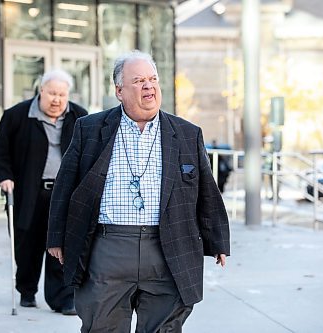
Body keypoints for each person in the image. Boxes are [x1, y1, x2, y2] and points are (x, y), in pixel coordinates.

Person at [46, 50, 230, 332]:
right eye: (139, 80)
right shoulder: (90, 128)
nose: (149, 86)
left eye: (153, 79)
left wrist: (217, 240)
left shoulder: (186, 133)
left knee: (164, 328)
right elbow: (65, 184)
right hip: (108, 249)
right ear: (119, 91)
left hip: (168, 248)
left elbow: (207, 189)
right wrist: (56, 237)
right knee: (101, 326)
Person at [0, 69, 87, 314]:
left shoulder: (80, 117)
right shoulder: (17, 116)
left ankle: (63, 299)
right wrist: (5, 177)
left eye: (62, 95)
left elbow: (90, 153)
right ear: (41, 91)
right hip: (28, 193)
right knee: (27, 246)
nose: (56, 100)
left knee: (61, 246)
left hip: (64, 195)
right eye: (52, 93)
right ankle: (27, 290)